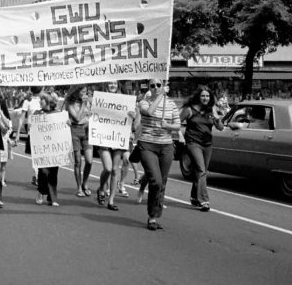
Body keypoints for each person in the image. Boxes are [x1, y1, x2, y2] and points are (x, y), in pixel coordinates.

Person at [137, 78, 181, 230]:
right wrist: (160, 96)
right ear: (148, 88)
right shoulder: (144, 101)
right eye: (152, 86)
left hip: (166, 146)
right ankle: (151, 212)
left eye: (158, 85)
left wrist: (168, 125)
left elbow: (178, 125)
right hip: (147, 144)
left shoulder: (171, 104)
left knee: (162, 182)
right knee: (155, 180)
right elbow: (148, 112)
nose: (156, 88)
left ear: (163, 86)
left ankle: (153, 217)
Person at [179, 86, 224, 212]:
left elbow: (220, 128)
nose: (205, 98)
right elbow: (177, 122)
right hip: (193, 142)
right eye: (203, 96)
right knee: (201, 169)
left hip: (207, 144)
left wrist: (217, 119)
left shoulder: (212, 109)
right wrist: (180, 135)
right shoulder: (190, 109)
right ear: (199, 96)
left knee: (201, 171)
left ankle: (194, 196)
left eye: (208, 96)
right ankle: (204, 200)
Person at [95, 80, 137, 211]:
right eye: (110, 84)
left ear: (118, 85)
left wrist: (133, 117)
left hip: (118, 139)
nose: (112, 86)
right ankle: (101, 188)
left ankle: (111, 200)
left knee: (114, 170)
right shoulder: (100, 99)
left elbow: (130, 121)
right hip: (104, 139)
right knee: (107, 169)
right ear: (106, 85)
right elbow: (94, 116)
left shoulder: (124, 100)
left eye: (114, 84)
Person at [66, 85, 93, 197]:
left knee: (89, 161)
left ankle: (85, 183)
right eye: (82, 92)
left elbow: (91, 115)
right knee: (78, 161)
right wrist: (83, 104)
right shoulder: (70, 103)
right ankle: (79, 188)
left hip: (87, 131)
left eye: (86, 92)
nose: (84, 94)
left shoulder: (88, 102)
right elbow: (76, 117)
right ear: (76, 92)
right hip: (75, 131)